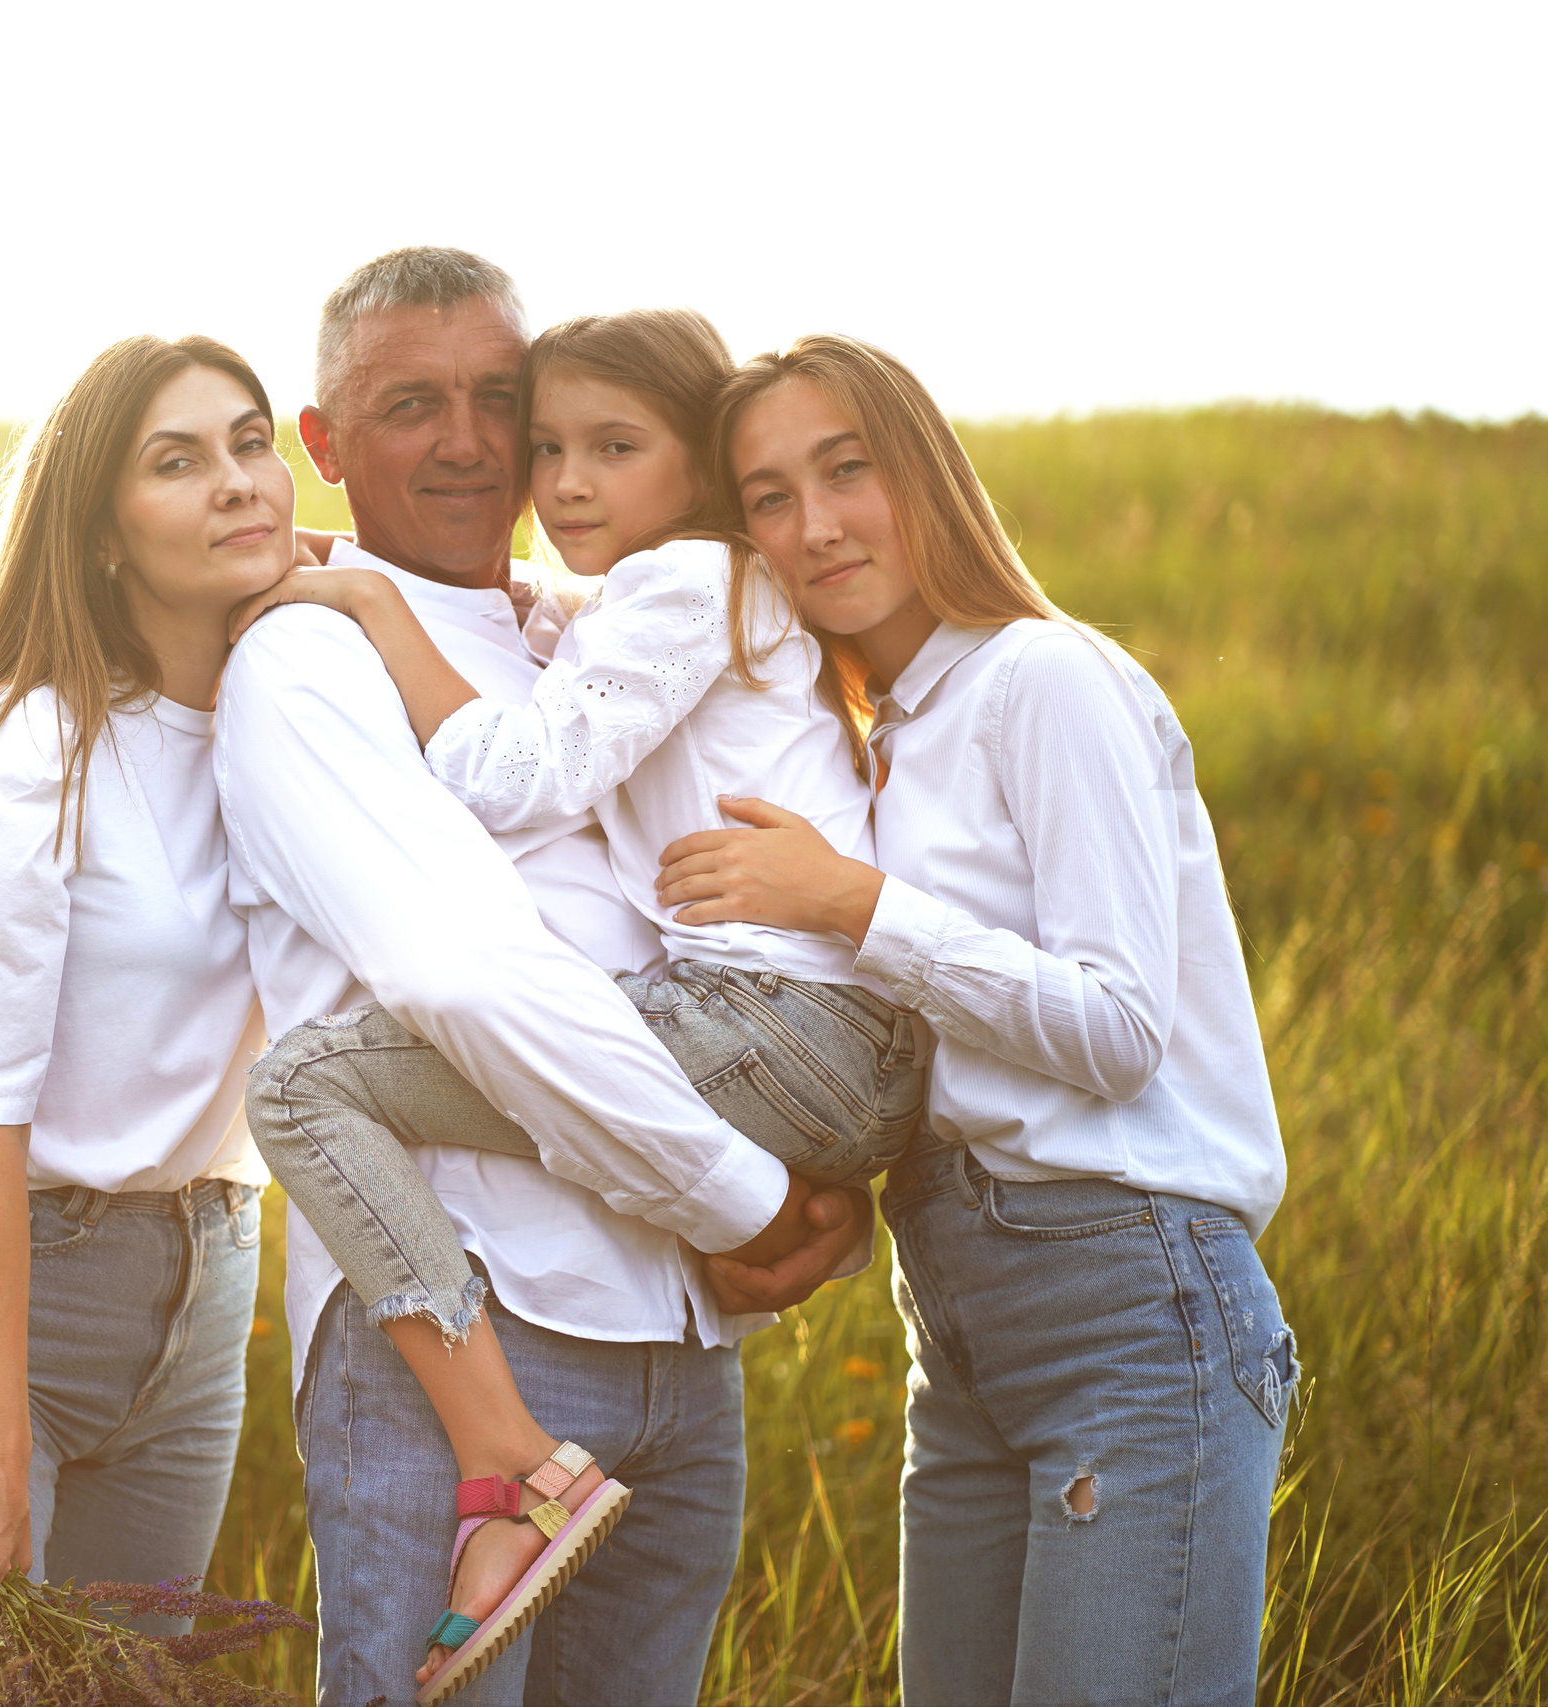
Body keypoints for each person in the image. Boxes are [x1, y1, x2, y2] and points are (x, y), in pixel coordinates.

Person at [227, 307, 928, 1698]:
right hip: (512, 1316)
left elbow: (530, 773)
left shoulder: (619, 607)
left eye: (511, 404)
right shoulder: (315, 657)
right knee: (308, 1081)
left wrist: (767, 1214)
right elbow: (463, 979)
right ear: (329, 442)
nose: (500, 453)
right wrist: (751, 1201)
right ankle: (505, 1455)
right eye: (417, 404)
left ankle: (524, 1459)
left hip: (682, 1328)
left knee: (309, 1087)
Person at [658, 334, 1294, 1704]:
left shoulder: (1041, 678)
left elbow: (1119, 1028)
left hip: (1130, 1305)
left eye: (848, 469)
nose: (814, 526)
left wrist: (852, 904)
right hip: (955, 1314)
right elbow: (933, 1058)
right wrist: (818, 1195)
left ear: (926, 473)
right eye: (768, 497)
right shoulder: (872, 744)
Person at [0, 333, 293, 1703]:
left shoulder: (295, 717)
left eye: (250, 443)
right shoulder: (21, 742)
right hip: (6, 1311)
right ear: (101, 534)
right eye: (177, 461)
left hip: (206, 1284)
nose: (234, 483)